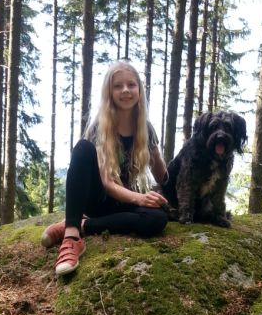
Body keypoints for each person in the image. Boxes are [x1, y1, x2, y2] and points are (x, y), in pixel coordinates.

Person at [41, 61, 168, 276]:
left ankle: (83, 225)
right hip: (97, 199)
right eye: (118, 86)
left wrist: (177, 187)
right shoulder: (99, 126)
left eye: (131, 84)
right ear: (109, 91)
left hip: (123, 204)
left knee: (158, 219)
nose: (125, 90)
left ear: (139, 90)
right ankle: (71, 236)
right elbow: (107, 183)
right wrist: (140, 198)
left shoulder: (146, 128)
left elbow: (162, 174)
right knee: (82, 148)